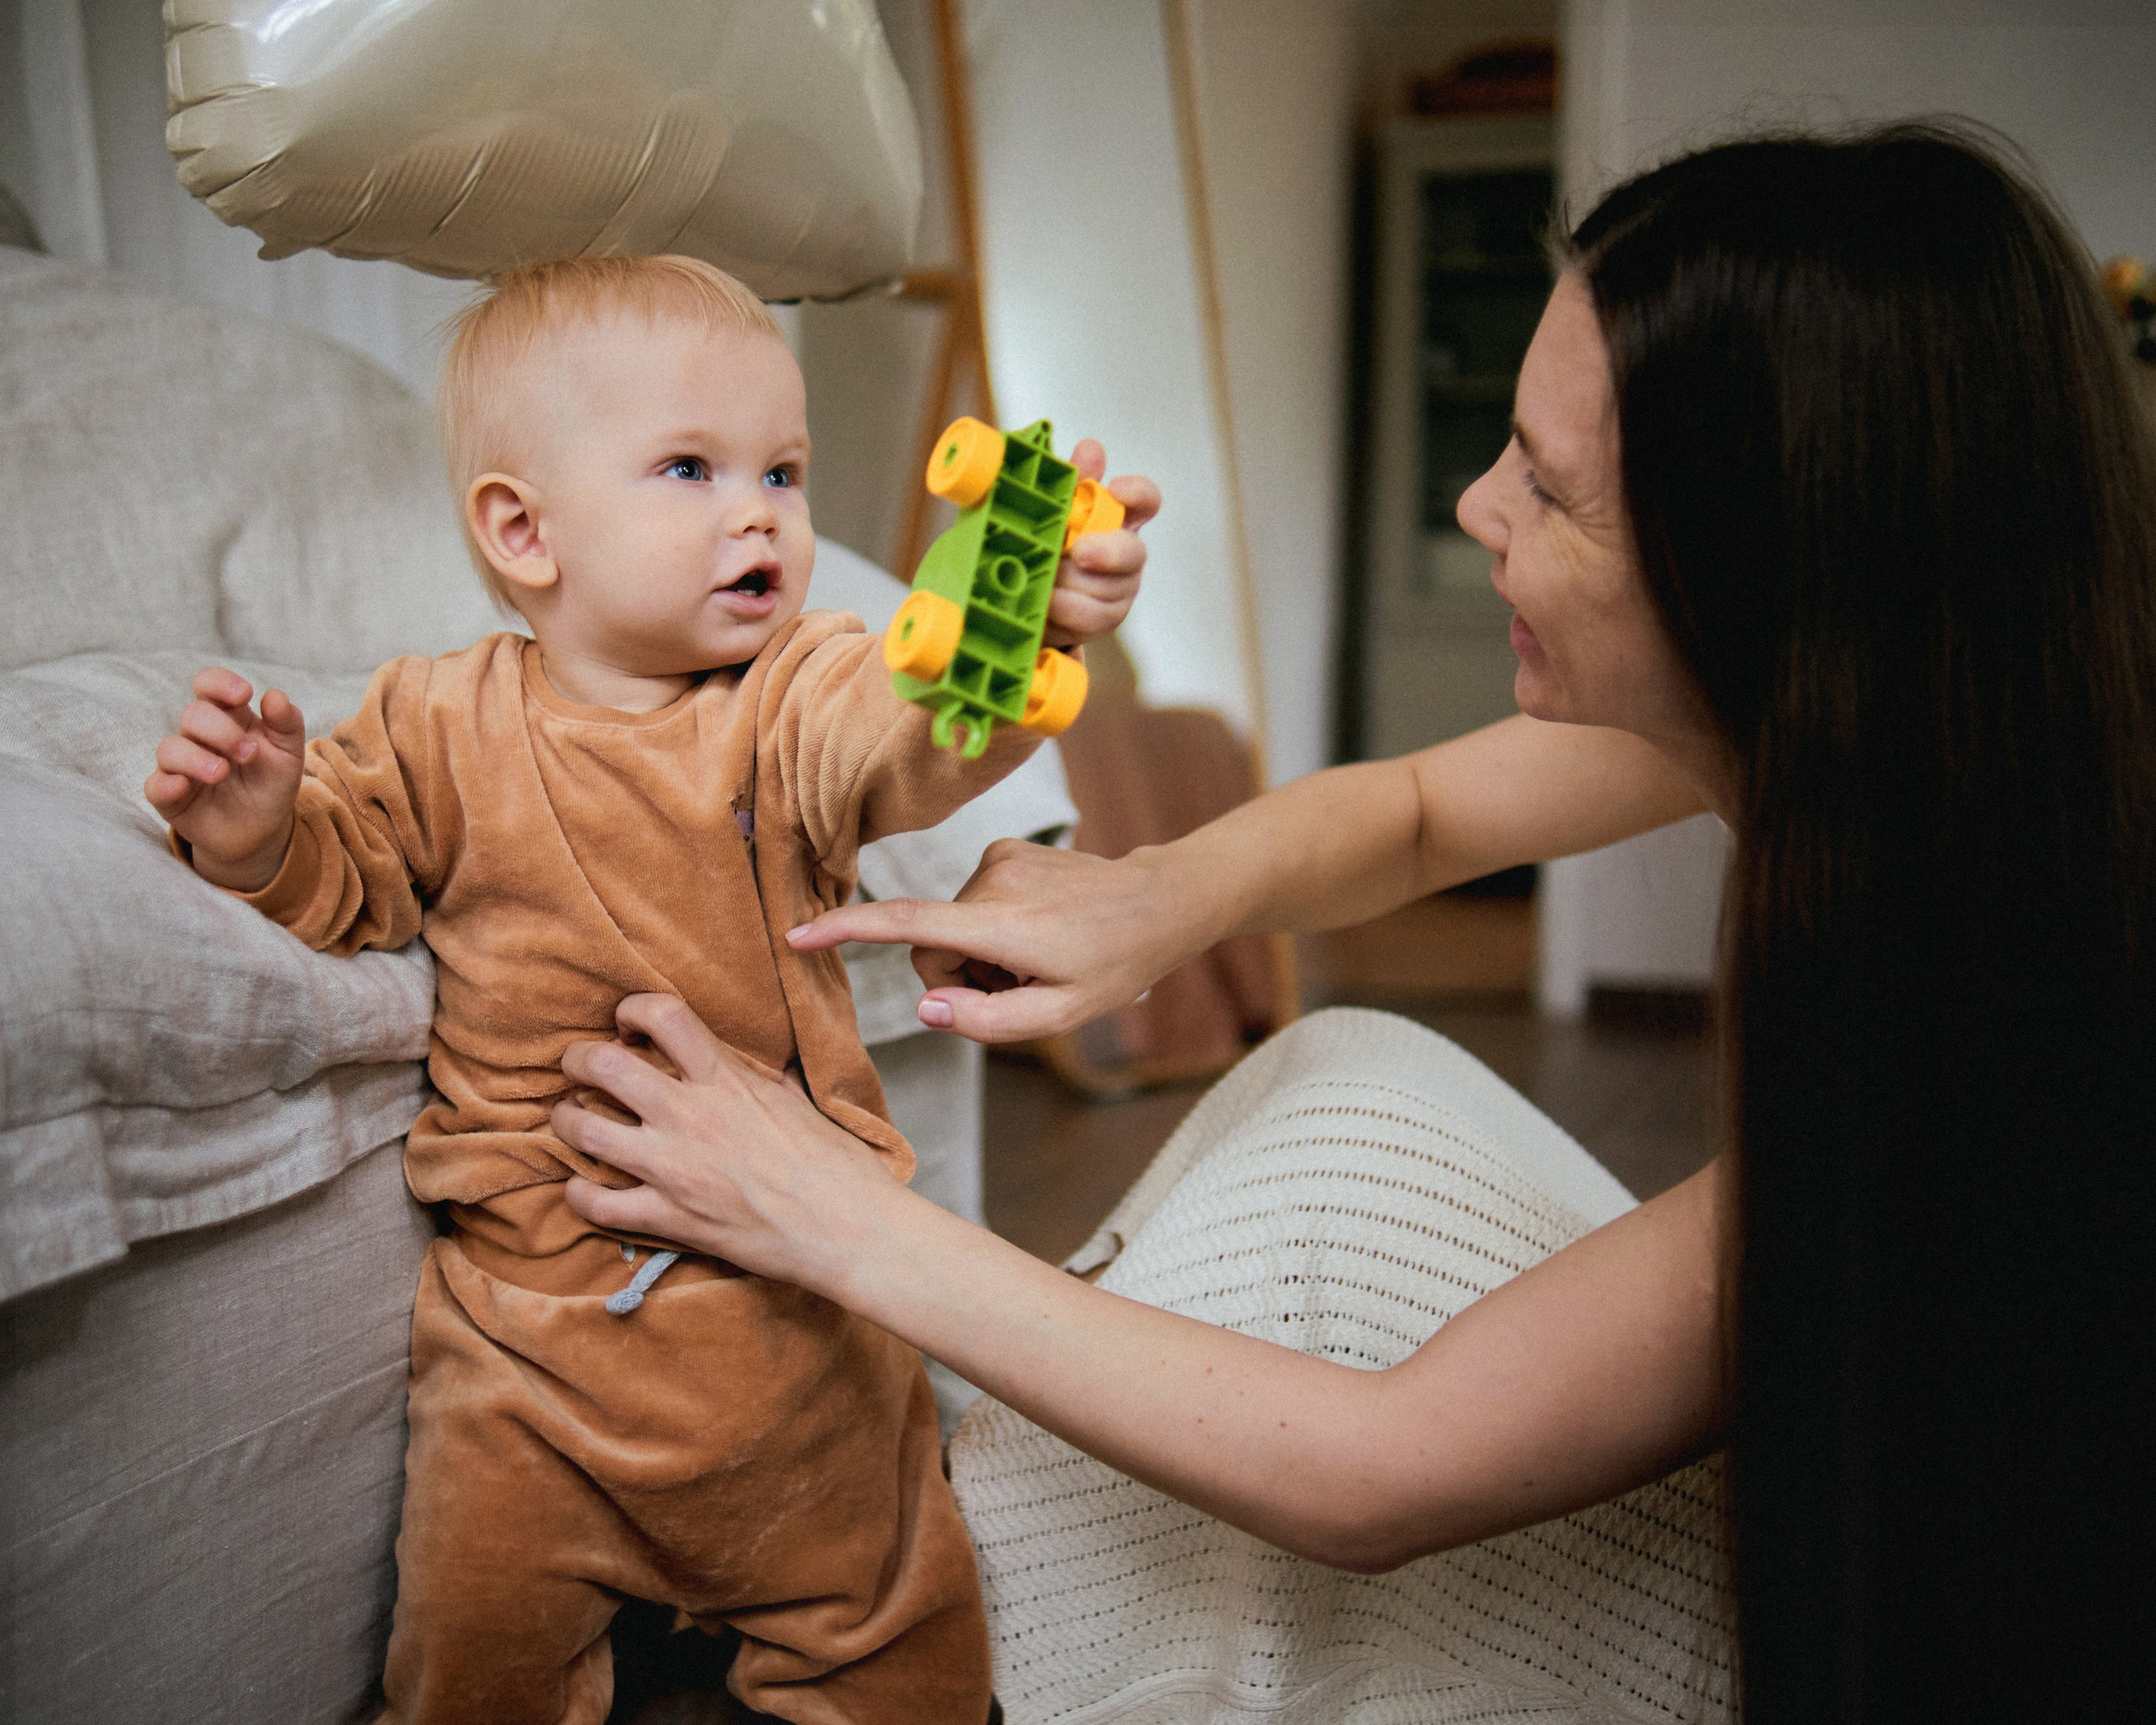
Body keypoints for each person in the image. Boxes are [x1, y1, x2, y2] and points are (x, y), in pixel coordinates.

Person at [553, 124, 2154, 1723]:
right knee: (1343, 1086)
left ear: (1763, 562)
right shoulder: (1906, 715)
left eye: (1551, 487)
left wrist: (825, 1214)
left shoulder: (1987, 1019)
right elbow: (1423, 812)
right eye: (1506, 444)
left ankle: (886, 1625)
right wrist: (1155, 900)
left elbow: (1377, 1474)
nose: (1476, 504)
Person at [140, 254, 1154, 1725]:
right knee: (473, 1649)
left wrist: (1019, 626)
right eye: (692, 468)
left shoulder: (791, 694)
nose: (761, 514)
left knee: (892, 1631)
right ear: (524, 530)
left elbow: (905, 730)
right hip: (532, 1349)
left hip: (796, 1324)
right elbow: (348, 877)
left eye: (784, 473)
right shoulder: (435, 719)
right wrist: (254, 830)